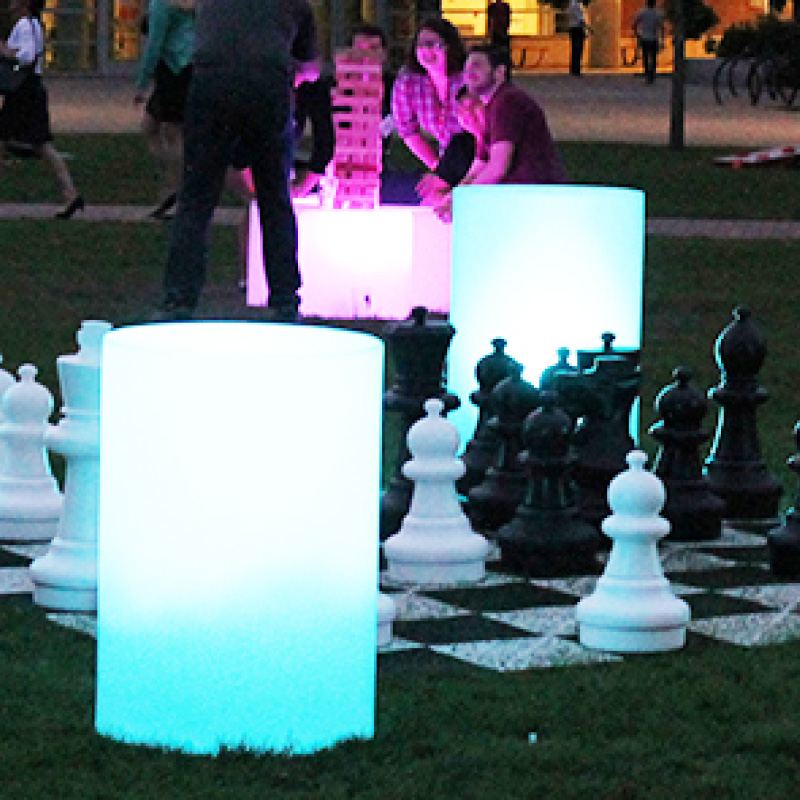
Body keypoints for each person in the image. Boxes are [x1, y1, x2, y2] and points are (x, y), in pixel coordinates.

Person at [159, 0, 319, 321]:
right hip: (266, 88)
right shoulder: (297, 5)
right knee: (274, 197)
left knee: (196, 198)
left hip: (211, 86)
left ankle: (180, 296)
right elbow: (311, 69)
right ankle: (285, 297)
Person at [427, 44, 567, 221]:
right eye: (467, 67)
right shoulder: (493, 107)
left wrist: (463, 201)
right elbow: (478, 166)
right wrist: (454, 197)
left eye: (477, 66)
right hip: (521, 199)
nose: (469, 72)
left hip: (531, 200)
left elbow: (497, 167)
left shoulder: (507, 102)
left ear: (499, 72)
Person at [0, 0, 83, 219]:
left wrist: (7, 51)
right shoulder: (34, 24)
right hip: (32, 90)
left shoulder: (24, 26)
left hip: (22, 93)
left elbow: (26, 56)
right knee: (42, 145)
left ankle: (71, 193)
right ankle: (70, 193)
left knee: (31, 143)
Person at [391, 18, 474, 191]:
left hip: (478, 158)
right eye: (420, 45)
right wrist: (439, 168)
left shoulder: (468, 78)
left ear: (449, 47)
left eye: (432, 44)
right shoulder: (408, 81)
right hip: (448, 162)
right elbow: (407, 130)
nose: (425, 50)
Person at [133, 0, 195, 220]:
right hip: (182, 66)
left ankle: (173, 191)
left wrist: (142, 83)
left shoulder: (161, 5)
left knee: (173, 132)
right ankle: (172, 184)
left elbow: (154, 44)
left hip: (174, 68)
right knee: (150, 126)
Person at [633, 0, 665, 84]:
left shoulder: (642, 12)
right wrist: (662, 39)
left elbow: (635, 23)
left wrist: (637, 33)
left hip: (644, 37)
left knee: (645, 57)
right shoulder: (657, 13)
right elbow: (661, 27)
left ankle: (647, 73)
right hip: (654, 38)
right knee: (653, 58)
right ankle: (652, 74)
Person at [567, 0, 589, 77]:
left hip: (573, 28)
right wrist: (587, 27)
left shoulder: (571, 4)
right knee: (578, 49)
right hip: (577, 28)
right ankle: (576, 69)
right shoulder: (577, 5)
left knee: (574, 49)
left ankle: (574, 69)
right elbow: (580, 19)